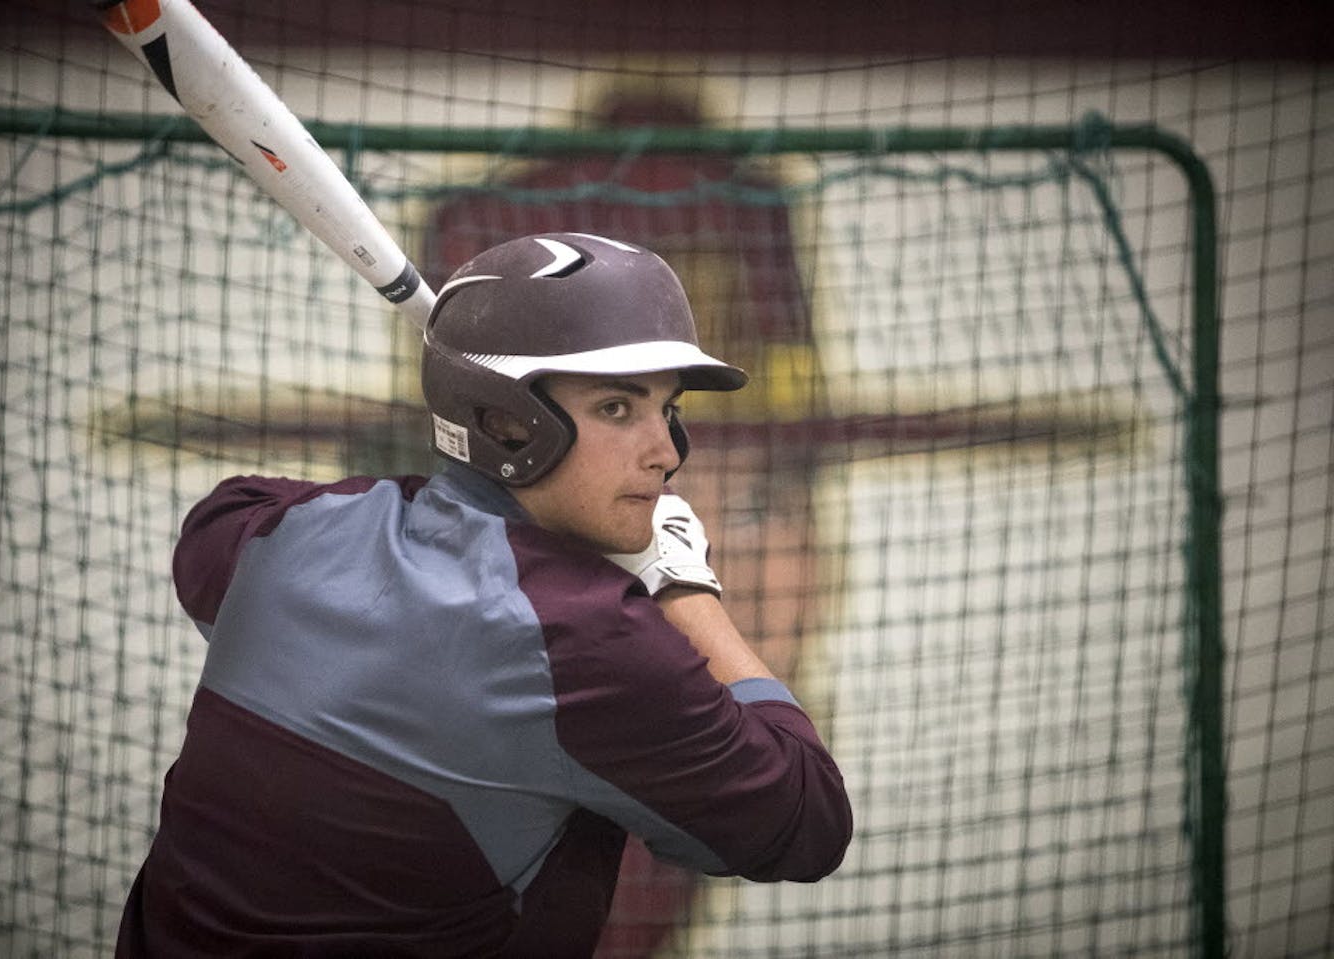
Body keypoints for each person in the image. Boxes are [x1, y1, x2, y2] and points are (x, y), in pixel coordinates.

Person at [115, 232, 853, 957]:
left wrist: (429, 509)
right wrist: (682, 581)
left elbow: (216, 522)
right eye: (618, 410)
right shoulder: (591, 639)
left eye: (669, 411)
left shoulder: (274, 539)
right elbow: (808, 818)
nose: (665, 452)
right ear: (505, 420)